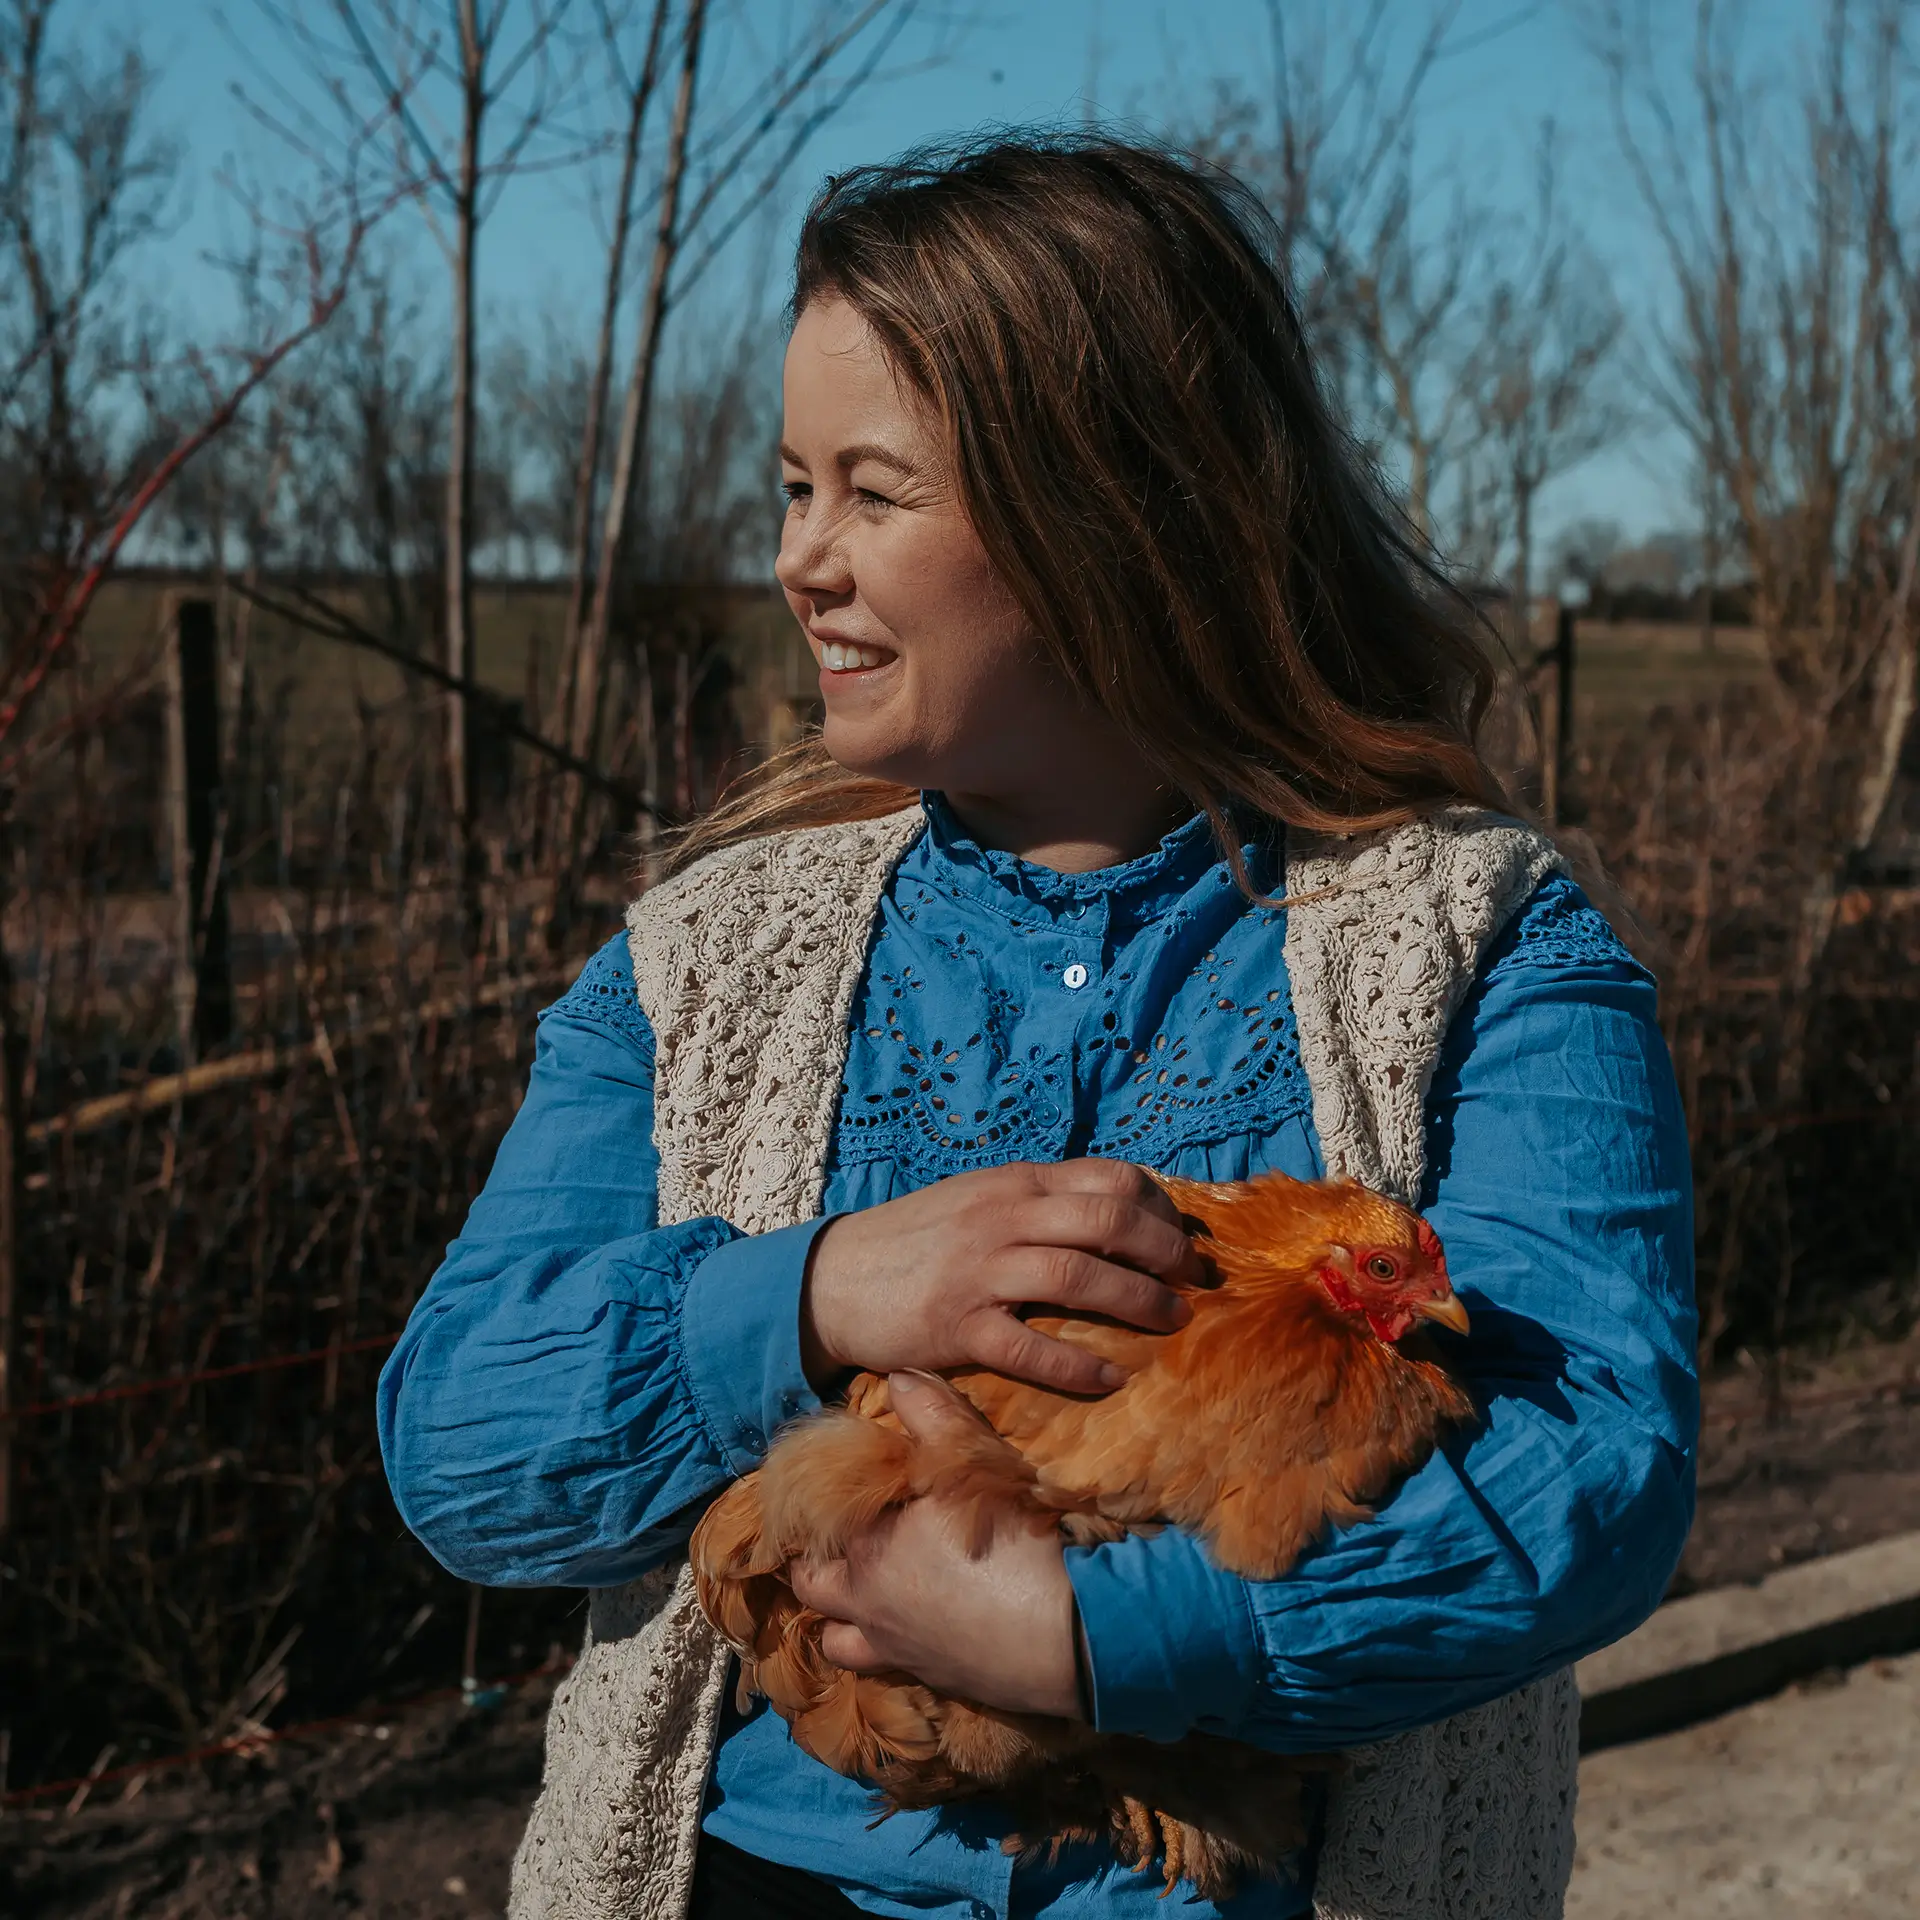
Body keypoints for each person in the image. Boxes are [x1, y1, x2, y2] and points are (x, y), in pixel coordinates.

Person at [378, 135, 1696, 1920]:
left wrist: (1094, 1633)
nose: (800, 560)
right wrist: (823, 1288)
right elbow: (458, 1448)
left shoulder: (1478, 943)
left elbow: (1597, 1468)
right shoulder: (704, 965)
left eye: (872, 491)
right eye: (792, 488)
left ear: (1109, 515)